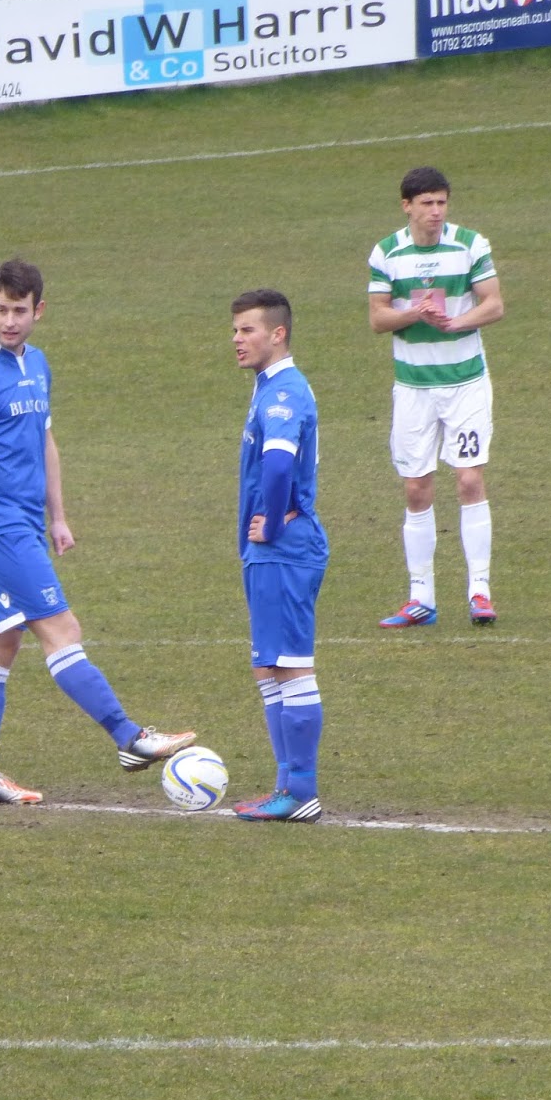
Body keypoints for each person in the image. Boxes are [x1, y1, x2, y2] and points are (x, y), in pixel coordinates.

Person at [0, 259, 196, 805]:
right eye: (1, 310)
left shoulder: (38, 365)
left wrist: (58, 516)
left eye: (20, 311)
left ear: (39, 311)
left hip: (25, 525)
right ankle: (129, 738)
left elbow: (44, 443)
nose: (10, 321)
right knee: (62, 628)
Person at [367, 167, 505, 629]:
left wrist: (457, 322)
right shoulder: (387, 253)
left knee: (468, 481)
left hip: (465, 383)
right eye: (426, 203)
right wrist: (413, 313)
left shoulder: (470, 244)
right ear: (407, 205)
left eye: (441, 202)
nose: (435, 212)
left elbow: (494, 304)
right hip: (413, 389)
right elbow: (378, 319)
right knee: (415, 487)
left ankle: (479, 591)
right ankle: (420, 597)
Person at [226, 290, 329, 823]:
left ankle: (302, 790)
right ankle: (286, 784)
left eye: (247, 330)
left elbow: (278, 466)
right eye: (236, 330)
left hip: (285, 550)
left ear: (277, 334)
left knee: (290, 666)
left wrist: (271, 516)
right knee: (269, 667)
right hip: (271, 551)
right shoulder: (270, 389)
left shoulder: (284, 393)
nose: (237, 340)